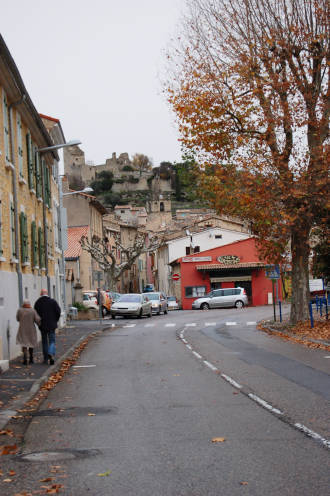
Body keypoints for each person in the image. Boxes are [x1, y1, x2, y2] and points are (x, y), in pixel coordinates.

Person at [34, 289, 61, 365]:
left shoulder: (38, 302)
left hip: (42, 325)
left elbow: (35, 314)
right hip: (52, 325)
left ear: (41, 294)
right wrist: (55, 320)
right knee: (52, 340)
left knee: (44, 341)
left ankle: (46, 358)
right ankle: (51, 354)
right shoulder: (53, 302)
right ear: (47, 293)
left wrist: (39, 323)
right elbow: (58, 311)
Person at [16, 300, 41, 365]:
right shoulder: (33, 311)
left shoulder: (20, 310)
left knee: (24, 344)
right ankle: (31, 359)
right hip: (31, 330)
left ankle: (25, 358)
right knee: (31, 343)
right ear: (29, 304)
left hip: (22, 329)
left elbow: (18, 319)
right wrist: (40, 325)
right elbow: (37, 319)